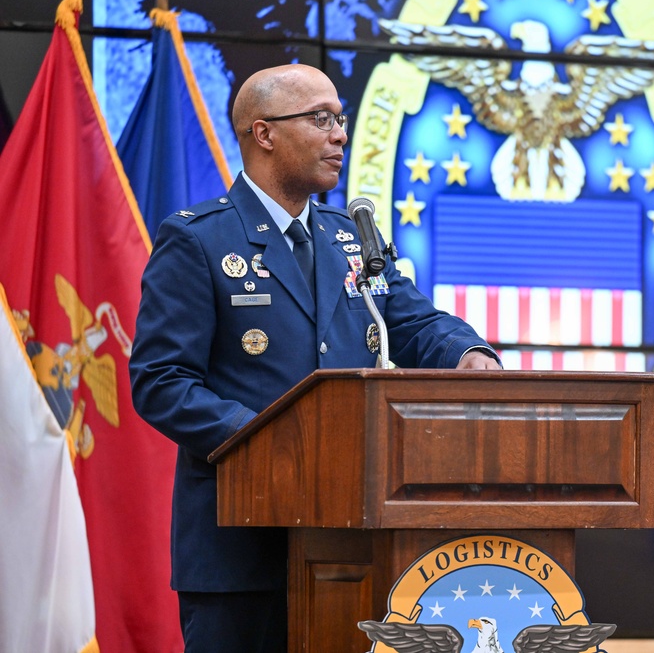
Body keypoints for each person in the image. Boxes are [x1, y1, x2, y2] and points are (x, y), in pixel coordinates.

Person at [129, 64, 500, 652]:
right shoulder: (199, 240)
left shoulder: (348, 235)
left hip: (350, 549)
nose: (340, 135)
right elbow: (161, 382)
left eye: (341, 119)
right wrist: (269, 440)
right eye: (321, 119)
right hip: (240, 551)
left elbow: (411, 321)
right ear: (264, 133)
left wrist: (469, 354)